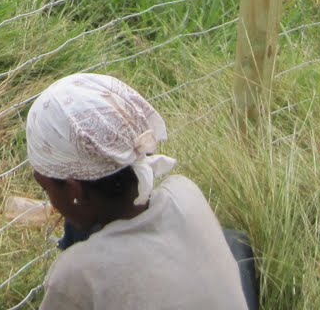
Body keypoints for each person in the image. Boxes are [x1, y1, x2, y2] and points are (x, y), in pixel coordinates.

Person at [26, 72, 249, 310]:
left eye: (45, 188)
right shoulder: (184, 192)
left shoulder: (78, 273)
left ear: (75, 189)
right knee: (235, 242)